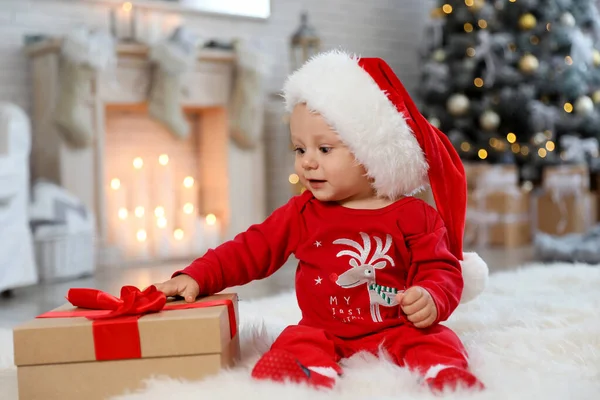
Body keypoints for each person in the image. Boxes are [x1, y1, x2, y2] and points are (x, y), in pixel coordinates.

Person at [154, 50, 489, 392]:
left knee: (436, 340)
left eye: (324, 150)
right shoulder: (304, 213)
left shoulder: (416, 216)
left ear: (369, 153)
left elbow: (441, 267)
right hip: (324, 329)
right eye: (300, 149)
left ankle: (444, 375)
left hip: (397, 327)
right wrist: (198, 274)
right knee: (295, 339)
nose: (307, 163)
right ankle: (305, 374)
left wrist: (430, 295)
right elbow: (250, 248)